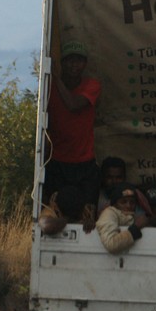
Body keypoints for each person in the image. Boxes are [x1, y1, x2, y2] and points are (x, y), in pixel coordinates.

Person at [44, 40, 101, 208]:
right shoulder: (49, 88)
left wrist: (56, 77)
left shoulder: (92, 85)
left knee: (87, 214)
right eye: (70, 60)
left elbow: (73, 104)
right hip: (57, 161)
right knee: (55, 209)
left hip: (85, 162)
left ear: (85, 64)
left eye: (79, 60)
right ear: (62, 63)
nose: (74, 65)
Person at [96, 157, 153, 226]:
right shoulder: (95, 196)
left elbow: (143, 219)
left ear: (125, 178)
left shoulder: (132, 195)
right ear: (103, 177)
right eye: (109, 177)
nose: (114, 181)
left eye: (118, 177)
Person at [95, 183, 144, 254]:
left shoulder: (133, 216)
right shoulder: (109, 213)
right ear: (115, 204)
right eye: (123, 202)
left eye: (132, 202)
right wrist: (136, 227)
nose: (128, 205)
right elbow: (111, 244)